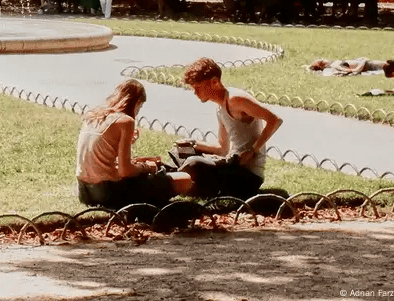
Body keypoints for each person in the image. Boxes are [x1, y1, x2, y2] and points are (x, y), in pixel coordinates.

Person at [76, 79, 193, 210]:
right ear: (137, 103)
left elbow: (103, 157)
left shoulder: (94, 117)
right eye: (140, 107)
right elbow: (125, 171)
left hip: (84, 191)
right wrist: (148, 167)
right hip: (107, 191)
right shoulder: (126, 121)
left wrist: (131, 147)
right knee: (185, 179)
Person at [178, 58, 283, 199]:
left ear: (214, 82)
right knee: (182, 153)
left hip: (248, 176)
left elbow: (275, 120)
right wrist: (193, 144)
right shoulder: (220, 108)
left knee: (193, 164)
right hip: (232, 166)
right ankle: (183, 183)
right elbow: (222, 148)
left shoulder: (235, 99)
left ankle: (183, 184)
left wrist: (253, 150)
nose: (195, 93)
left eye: (198, 87)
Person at [307, 57, 387, 76]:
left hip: (366, 64)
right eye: (322, 60)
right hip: (367, 65)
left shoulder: (334, 64)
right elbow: (350, 70)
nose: (325, 59)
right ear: (322, 65)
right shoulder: (335, 65)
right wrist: (362, 62)